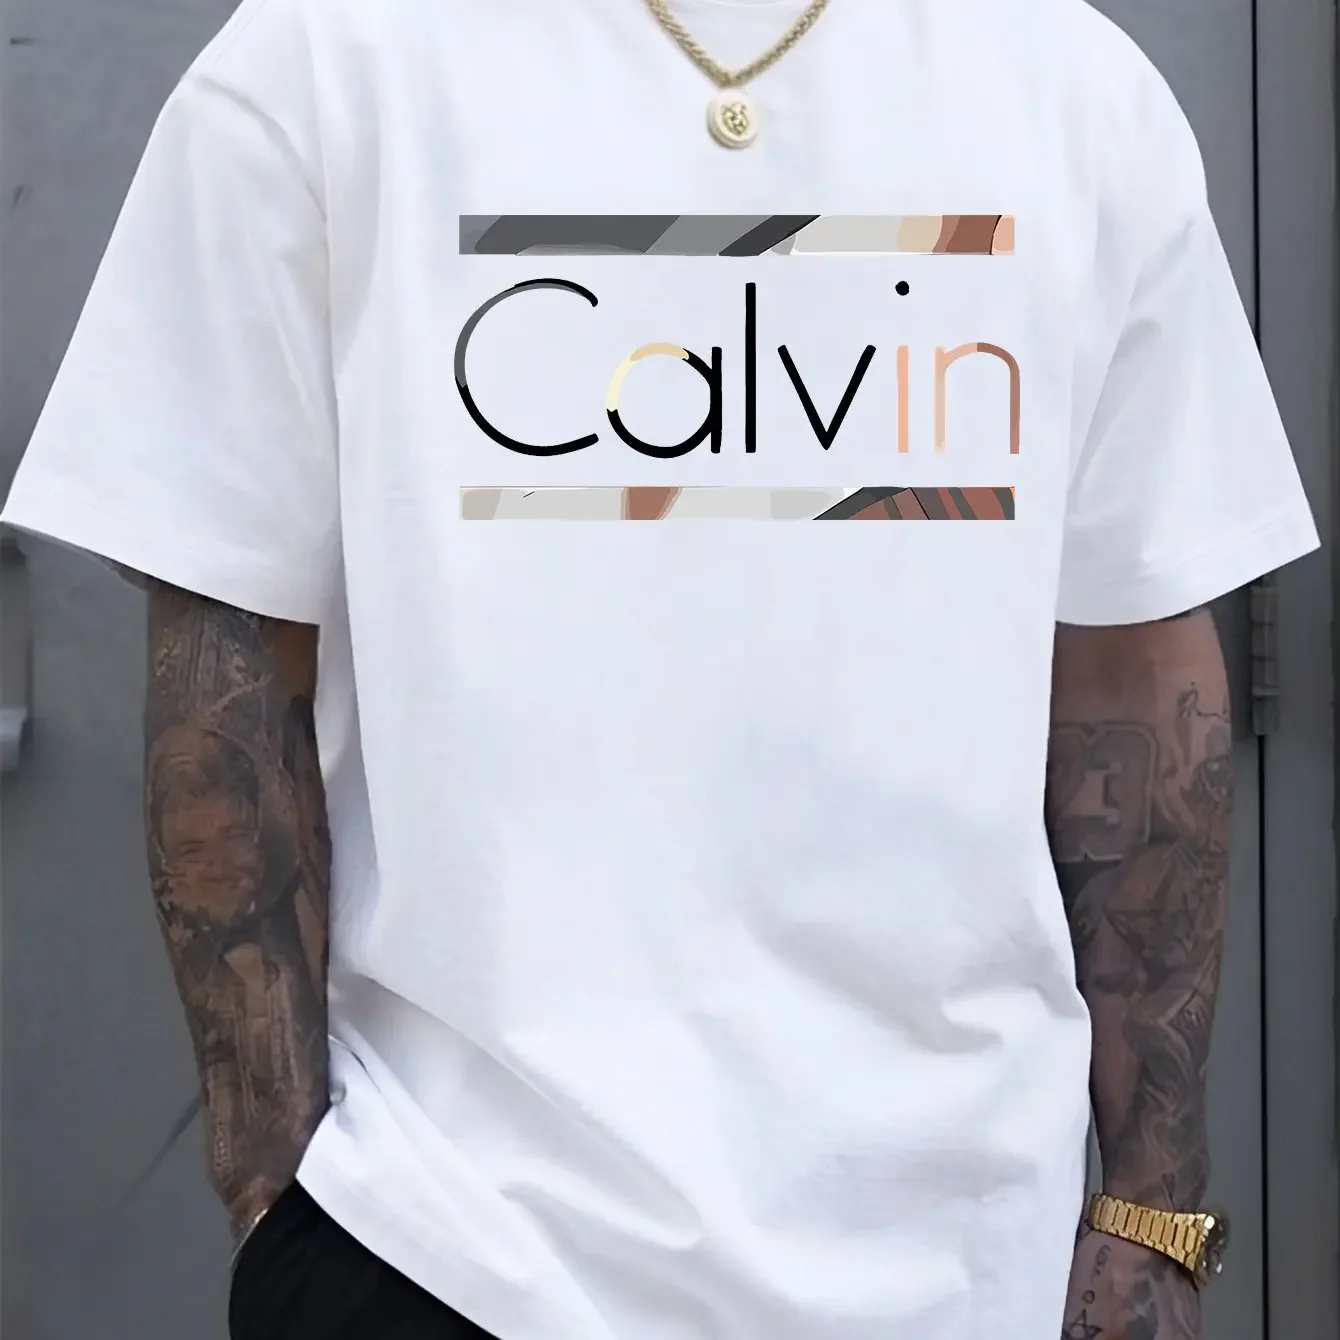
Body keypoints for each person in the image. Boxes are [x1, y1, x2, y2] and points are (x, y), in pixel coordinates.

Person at [0, 0, 1319, 1336]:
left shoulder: (1072, 92)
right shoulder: (325, 63)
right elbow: (229, 671)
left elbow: (1135, 674)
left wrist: (1151, 1212)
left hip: (973, 1268)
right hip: (452, 1255)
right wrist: (279, 1214)